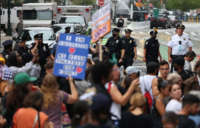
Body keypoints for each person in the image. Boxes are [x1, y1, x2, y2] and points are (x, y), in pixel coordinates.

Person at [91, 61, 139, 125]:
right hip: (113, 119)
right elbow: (122, 101)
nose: (118, 72)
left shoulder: (106, 85)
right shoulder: (110, 85)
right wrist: (132, 86)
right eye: (115, 70)